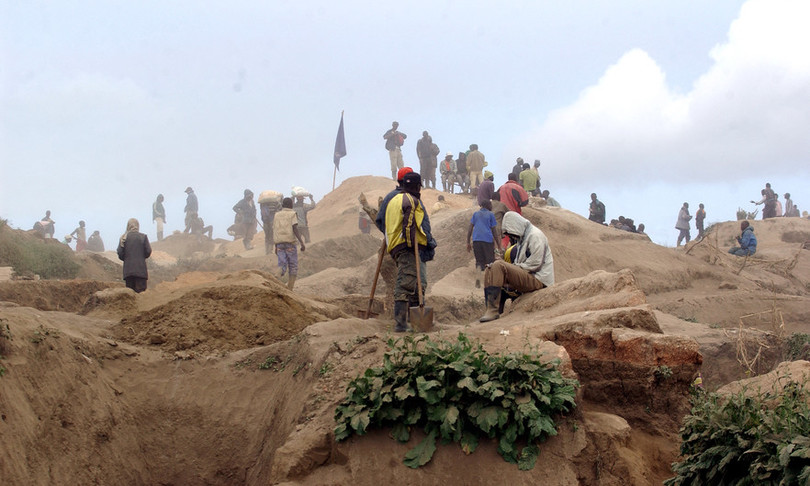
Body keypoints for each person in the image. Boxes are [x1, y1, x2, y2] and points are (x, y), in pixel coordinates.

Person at [378, 171, 436, 332]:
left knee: (415, 283)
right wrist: (413, 245)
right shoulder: (411, 201)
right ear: (417, 186)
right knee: (406, 282)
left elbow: (382, 222)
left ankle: (414, 321)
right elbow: (409, 225)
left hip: (396, 245)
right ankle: (402, 323)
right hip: (407, 247)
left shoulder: (394, 200)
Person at [479, 211, 554, 322]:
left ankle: (493, 311)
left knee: (499, 265)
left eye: (511, 233)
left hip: (539, 280)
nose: (511, 237)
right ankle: (491, 310)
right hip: (529, 274)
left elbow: (536, 264)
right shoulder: (523, 238)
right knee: (490, 268)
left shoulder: (535, 235)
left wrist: (513, 268)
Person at [273, 197, 306, 290]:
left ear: (283, 205)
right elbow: (295, 228)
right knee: (293, 266)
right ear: (291, 205)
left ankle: (278, 274)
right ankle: (290, 289)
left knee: (282, 264)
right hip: (290, 243)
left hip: (279, 243)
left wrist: (276, 245)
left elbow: (275, 230)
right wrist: (301, 242)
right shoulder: (292, 214)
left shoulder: (276, 215)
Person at [467, 200, 500, 288]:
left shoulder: (476, 214)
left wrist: (467, 242)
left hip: (476, 240)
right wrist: (499, 245)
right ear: (488, 205)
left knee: (479, 261)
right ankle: (490, 282)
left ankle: (478, 281)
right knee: (490, 261)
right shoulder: (490, 214)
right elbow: (494, 231)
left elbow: (470, 228)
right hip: (487, 240)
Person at [116, 218, 152, 293]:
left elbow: (120, 253)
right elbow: (148, 251)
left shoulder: (123, 238)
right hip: (141, 271)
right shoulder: (143, 237)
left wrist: (127, 259)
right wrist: (141, 257)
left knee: (130, 296)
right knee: (141, 296)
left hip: (128, 272)